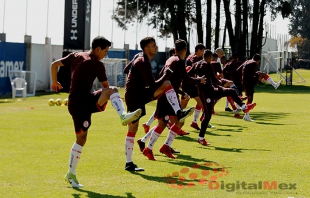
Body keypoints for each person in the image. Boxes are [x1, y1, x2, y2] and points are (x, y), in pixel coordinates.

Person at [51, 36, 142, 188]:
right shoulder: (97, 64)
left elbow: (54, 65)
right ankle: (70, 174)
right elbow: (105, 87)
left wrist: (54, 81)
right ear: (98, 49)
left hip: (84, 100)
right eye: (105, 51)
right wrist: (114, 99)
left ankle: (123, 116)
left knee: (112, 91)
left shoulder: (76, 55)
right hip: (78, 105)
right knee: (81, 139)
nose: (105, 55)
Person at [123, 37, 194, 171]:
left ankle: (178, 112)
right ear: (146, 48)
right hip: (134, 96)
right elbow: (154, 85)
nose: (156, 47)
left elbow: (126, 70)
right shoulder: (143, 61)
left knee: (166, 86)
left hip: (138, 93)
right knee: (133, 128)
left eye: (155, 44)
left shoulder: (139, 57)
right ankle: (129, 162)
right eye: (153, 45)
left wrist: (136, 80)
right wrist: (166, 74)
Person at [140, 39, 206, 160]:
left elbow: (163, 75)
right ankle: (152, 147)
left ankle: (155, 146)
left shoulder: (170, 59)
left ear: (175, 49)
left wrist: (179, 92)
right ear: (185, 50)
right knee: (171, 122)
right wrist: (199, 79)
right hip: (168, 97)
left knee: (170, 122)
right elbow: (186, 78)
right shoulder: (179, 61)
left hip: (169, 95)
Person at [192, 49, 256, 145]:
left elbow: (188, 75)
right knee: (207, 116)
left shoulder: (197, 64)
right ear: (209, 57)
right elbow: (214, 79)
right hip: (207, 93)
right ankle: (200, 138)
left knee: (231, 91)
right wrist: (223, 81)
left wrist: (197, 81)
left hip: (209, 90)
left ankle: (244, 107)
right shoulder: (207, 65)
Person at [236, 54, 282, 121]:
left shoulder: (247, 62)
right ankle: (246, 115)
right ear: (258, 60)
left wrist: (243, 78)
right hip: (249, 82)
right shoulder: (254, 63)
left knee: (248, 96)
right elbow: (252, 74)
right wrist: (257, 79)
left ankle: (243, 109)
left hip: (244, 81)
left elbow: (238, 70)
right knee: (250, 98)